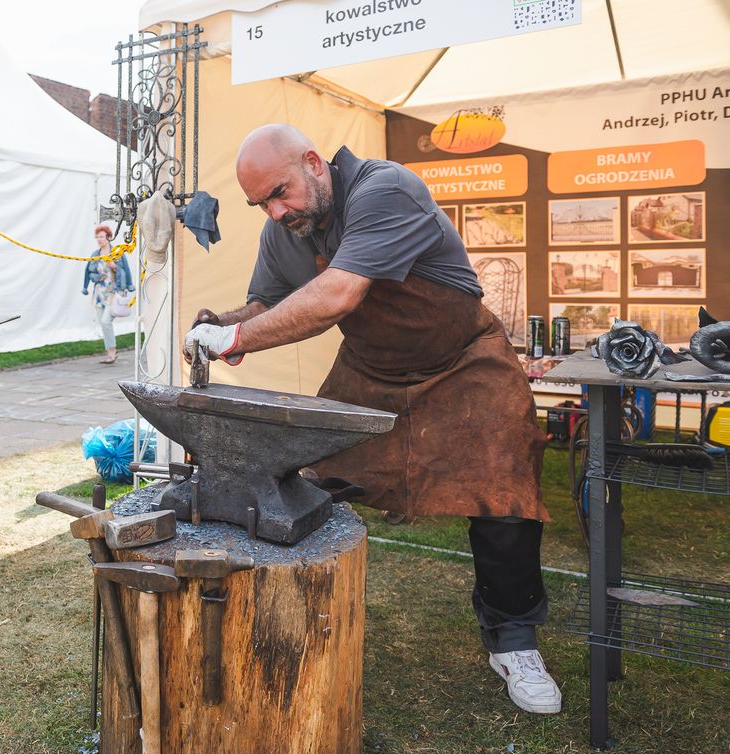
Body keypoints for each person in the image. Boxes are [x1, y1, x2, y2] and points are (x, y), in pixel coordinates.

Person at [183, 124, 560, 715]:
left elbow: (337, 295)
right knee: (306, 483)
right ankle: (294, 616)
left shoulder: (386, 189)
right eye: (262, 204)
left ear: (314, 162)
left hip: (464, 364)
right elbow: (265, 307)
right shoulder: (283, 231)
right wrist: (218, 327)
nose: (277, 212)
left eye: (281, 192)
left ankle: (513, 643)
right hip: (371, 370)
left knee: (503, 497)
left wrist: (236, 333)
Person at [81, 225, 134, 364]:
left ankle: (112, 352)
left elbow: (125, 270)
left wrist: (114, 267)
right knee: (103, 324)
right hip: (99, 294)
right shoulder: (95, 254)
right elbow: (89, 272)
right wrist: (98, 277)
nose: (99, 239)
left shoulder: (117, 252)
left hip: (114, 293)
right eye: (97, 237)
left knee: (106, 321)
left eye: (101, 236)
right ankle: (110, 352)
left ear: (108, 237)